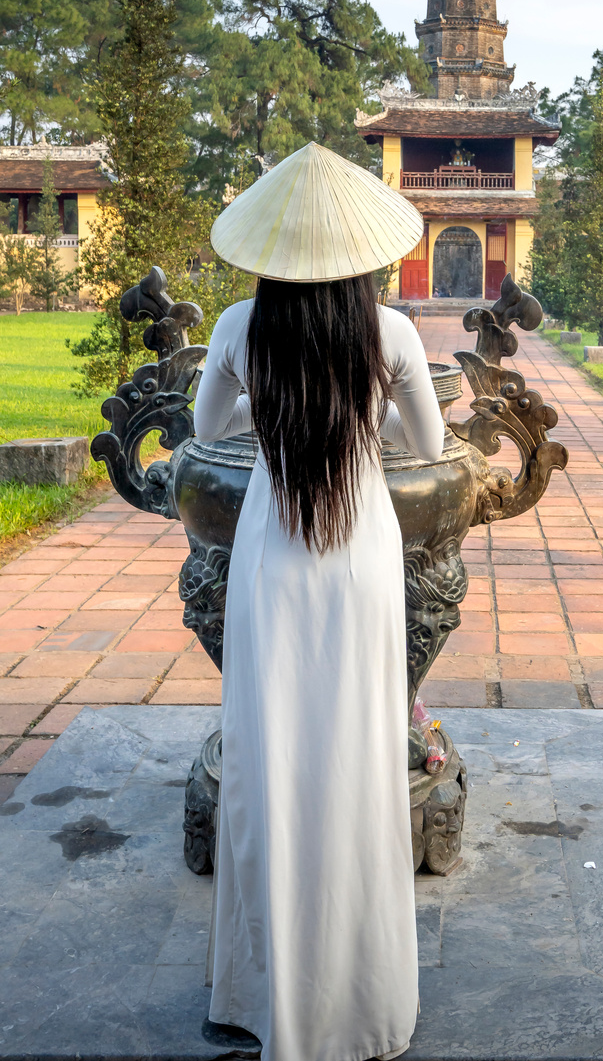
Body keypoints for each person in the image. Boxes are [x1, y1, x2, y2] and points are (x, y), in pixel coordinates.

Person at [193, 141, 443, 1061]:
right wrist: (361, 419)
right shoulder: (395, 334)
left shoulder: (237, 327)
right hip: (359, 547)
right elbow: (428, 440)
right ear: (359, 249)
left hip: (273, 549)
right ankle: (360, 994)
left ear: (272, 246)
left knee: (270, 751)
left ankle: (266, 995)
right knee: (360, 749)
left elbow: (204, 428)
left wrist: (266, 402)